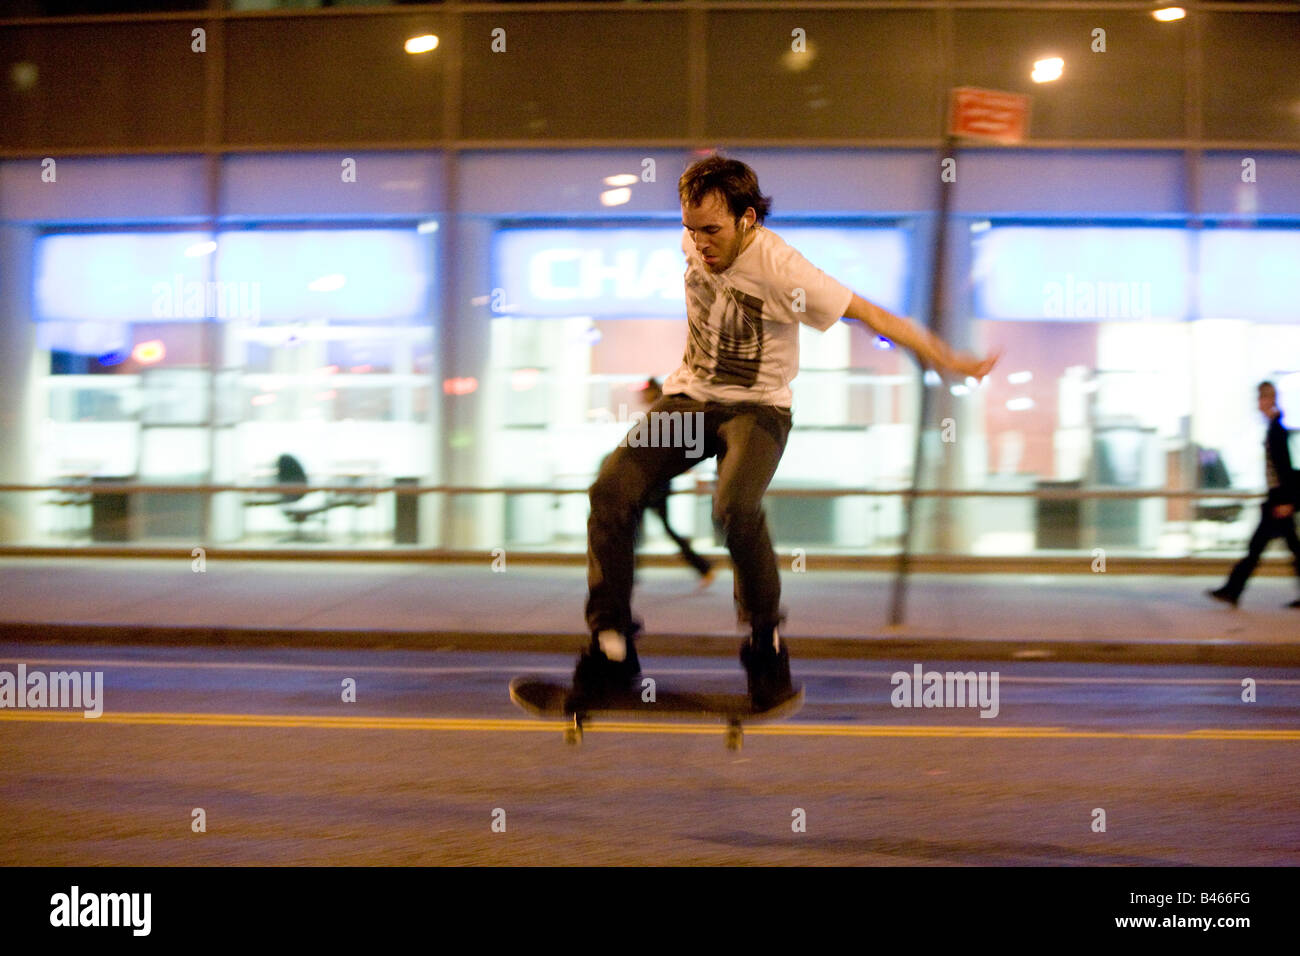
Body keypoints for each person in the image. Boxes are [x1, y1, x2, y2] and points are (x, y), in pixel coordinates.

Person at [573, 155, 999, 708]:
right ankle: (611, 648)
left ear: (748, 219)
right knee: (611, 488)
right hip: (690, 401)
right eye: (690, 230)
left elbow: (872, 315)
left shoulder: (785, 270)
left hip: (758, 411)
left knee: (733, 508)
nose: (700, 244)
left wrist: (949, 358)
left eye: (712, 231)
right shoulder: (697, 239)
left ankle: (765, 643)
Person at [1208, 381, 1300, 609]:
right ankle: (1232, 590)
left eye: (1261, 398)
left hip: (1279, 501)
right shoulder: (1274, 427)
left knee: (1258, 549)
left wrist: (1287, 501)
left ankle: (1232, 590)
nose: (1258, 403)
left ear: (1270, 400)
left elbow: (1284, 469)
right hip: (1277, 500)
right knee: (1279, 550)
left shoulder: (1277, 430)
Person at [633, 377, 716, 588]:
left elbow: (672, 448)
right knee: (645, 527)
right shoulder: (657, 415)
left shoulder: (660, 416)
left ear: (652, 393)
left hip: (653, 483)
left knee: (639, 527)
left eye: (645, 392)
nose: (641, 396)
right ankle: (703, 567)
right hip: (651, 482)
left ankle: (703, 567)